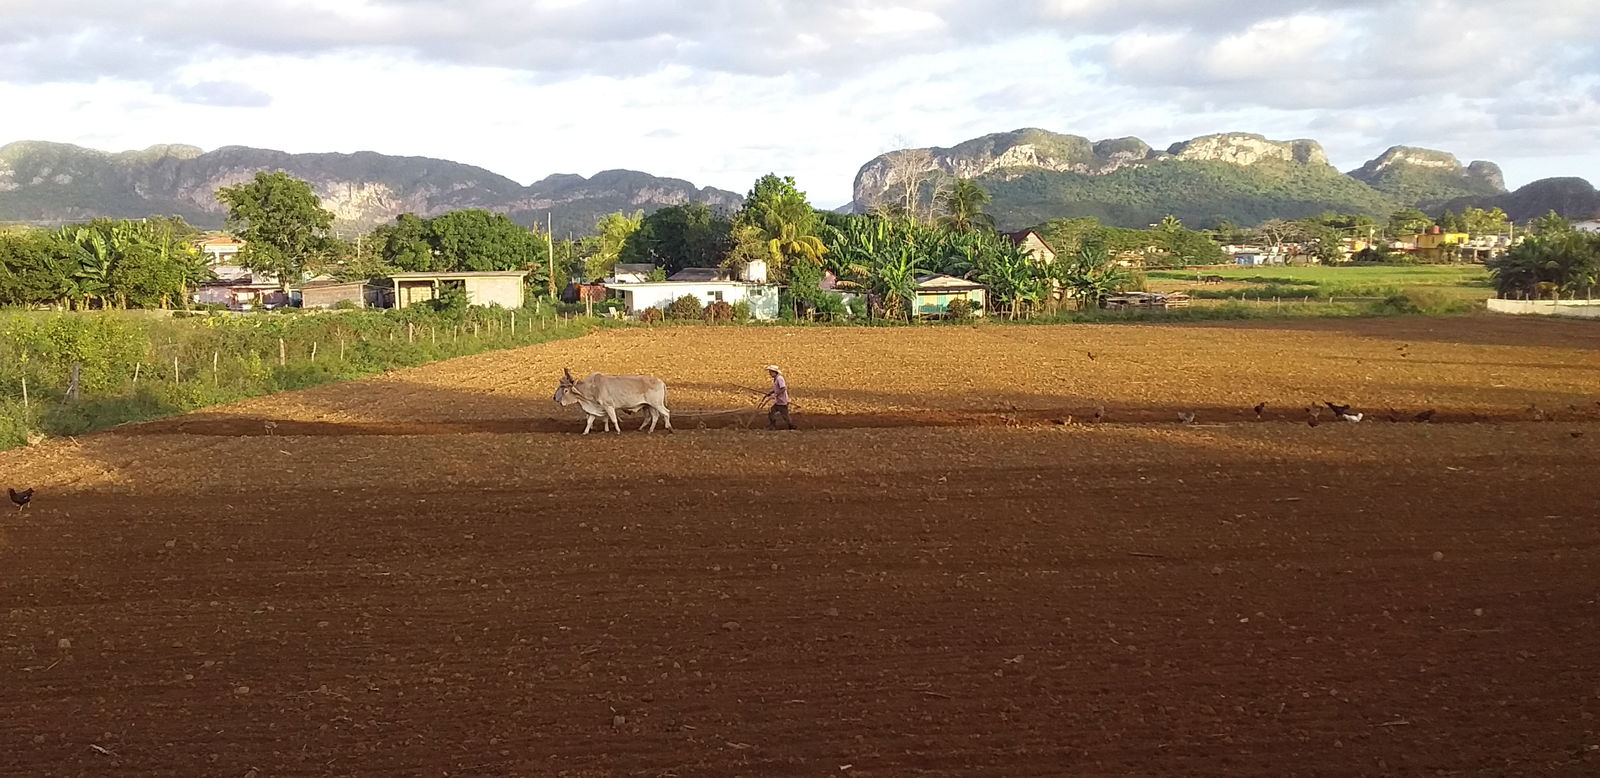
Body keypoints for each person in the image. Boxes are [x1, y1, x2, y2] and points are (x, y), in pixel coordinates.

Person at [764, 364, 797, 430]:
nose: (770, 373)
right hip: (779, 401)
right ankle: (773, 425)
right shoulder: (776, 379)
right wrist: (770, 393)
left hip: (782, 402)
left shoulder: (780, 379)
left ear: (774, 372)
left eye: (770, 372)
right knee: (771, 412)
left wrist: (775, 395)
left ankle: (791, 426)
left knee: (785, 416)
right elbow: (777, 389)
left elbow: (783, 389)